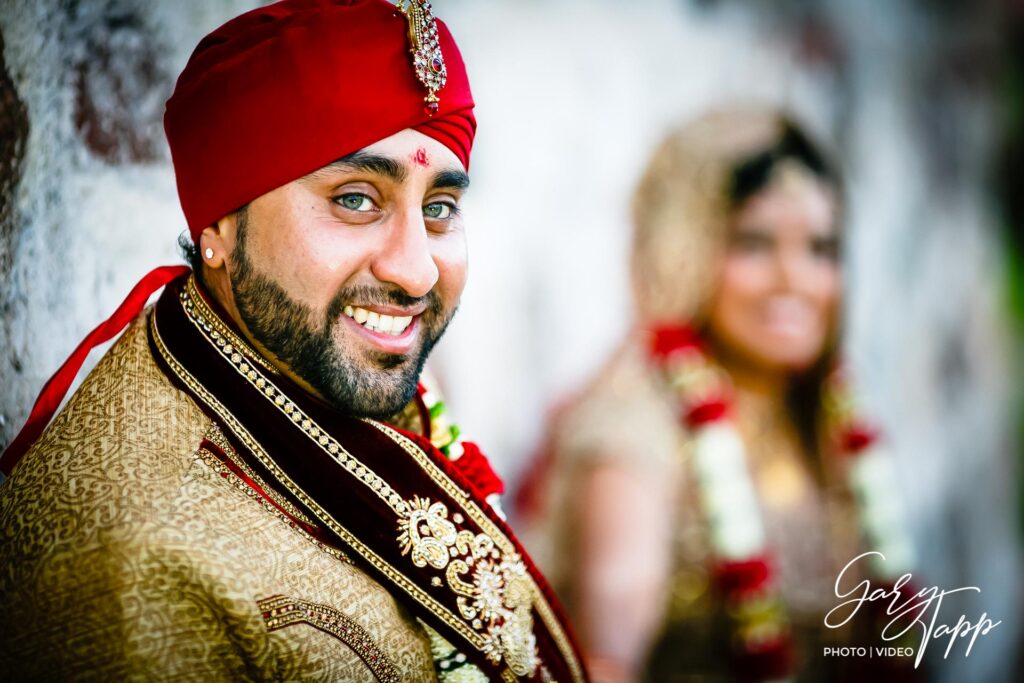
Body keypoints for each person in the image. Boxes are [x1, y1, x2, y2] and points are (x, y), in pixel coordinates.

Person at [0, 2, 585, 681]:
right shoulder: (133, 568)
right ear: (218, 223)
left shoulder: (327, 361)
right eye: (355, 199)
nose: (416, 269)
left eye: (439, 208)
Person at [518, 108, 920, 682]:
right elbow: (605, 667)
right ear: (686, 250)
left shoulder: (831, 418)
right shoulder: (632, 425)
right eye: (755, 244)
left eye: (821, 249)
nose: (795, 280)